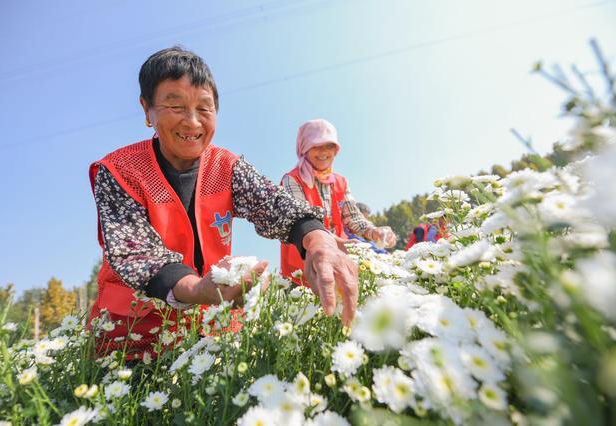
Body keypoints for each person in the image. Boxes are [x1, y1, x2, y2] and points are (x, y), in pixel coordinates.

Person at [89, 47, 358, 359]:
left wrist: (316, 238)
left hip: (212, 327)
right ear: (147, 109)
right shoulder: (119, 171)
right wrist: (195, 290)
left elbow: (272, 203)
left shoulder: (226, 166)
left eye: (204, 109)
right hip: (133, 336)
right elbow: (135, 253)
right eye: (175, 106)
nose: (192, 122)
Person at [280, 119, 396, 285]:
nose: (323, 152)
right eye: (316, 146)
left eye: (329, 146)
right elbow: (302, 222)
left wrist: (373, 232)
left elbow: (353, 218)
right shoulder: (292, 180)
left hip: (339, 262)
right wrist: (337, 241)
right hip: (303, 270)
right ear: (304, 147)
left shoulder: (340, 182)